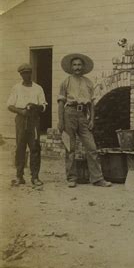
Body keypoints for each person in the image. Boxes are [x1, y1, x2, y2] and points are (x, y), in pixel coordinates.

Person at [57, 54, 112, 188]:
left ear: (83, 67)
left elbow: (91, 104)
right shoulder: (66, 82)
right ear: (71, 67)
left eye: (79, 65)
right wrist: (60, 121)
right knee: (70, 148)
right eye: (75, 65)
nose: (77, 67)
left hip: (83, 115)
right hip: (69, 113)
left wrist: (92, 119)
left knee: (92, 147)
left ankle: (97, 178)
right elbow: (61, 102)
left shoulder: (88, 82)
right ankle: (71, 178)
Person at [7, 64, 47, 186]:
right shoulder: (16, 88)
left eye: (28, 73)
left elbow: (44, 106)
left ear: (31, 73)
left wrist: (35, 107)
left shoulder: (38, 88)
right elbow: (9, 105)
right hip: (20, 119)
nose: (26, 75)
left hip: (34, 120)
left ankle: (35, 177)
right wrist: (21, 111)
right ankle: (19, 176)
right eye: (23, 73)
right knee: (20, 147)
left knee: (35, 147)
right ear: (20, 74)